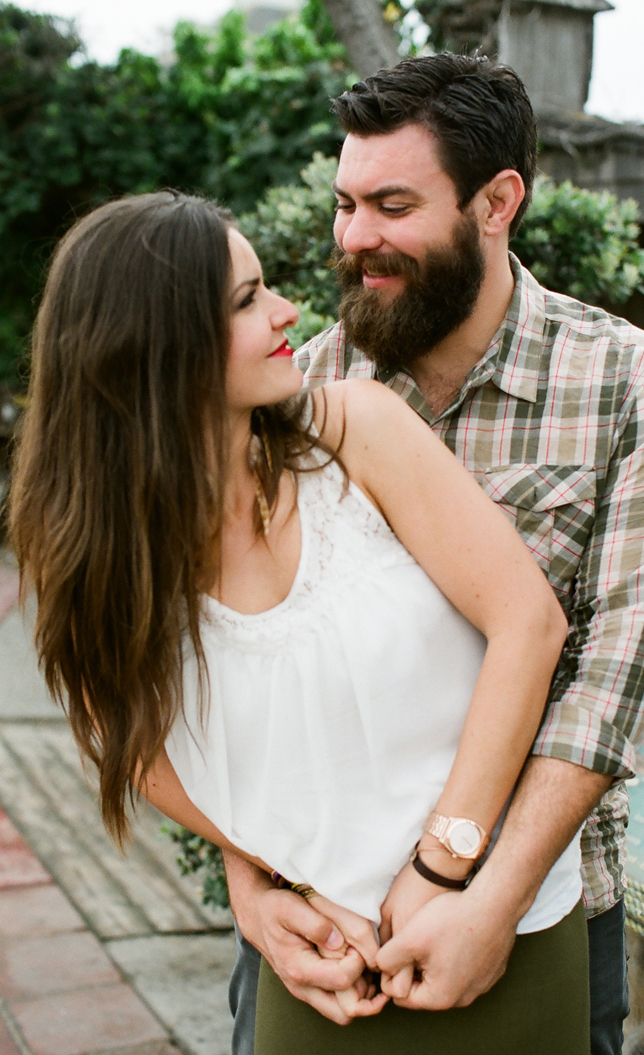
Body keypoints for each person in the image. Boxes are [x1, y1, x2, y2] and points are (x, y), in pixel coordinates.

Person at [9, 190, 589, 1054]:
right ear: (160, 349)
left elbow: (529, 626)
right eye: (246, 301)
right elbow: (122, 736)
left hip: (501, 935)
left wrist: (441, 868)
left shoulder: (358, 430)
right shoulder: (98, 553)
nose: (288, 310)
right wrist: (261, 870)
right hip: (325, 971)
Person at [222, 54, 644, 1055]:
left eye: (393, 205)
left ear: (497, 201)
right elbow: (230, 662)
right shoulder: (293, 383)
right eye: (347, 204)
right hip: (315, 911)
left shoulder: (638, 384)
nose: (356, 238)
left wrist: (484, 894)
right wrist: (250, 885)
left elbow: (611, 676)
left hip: (538, 905)